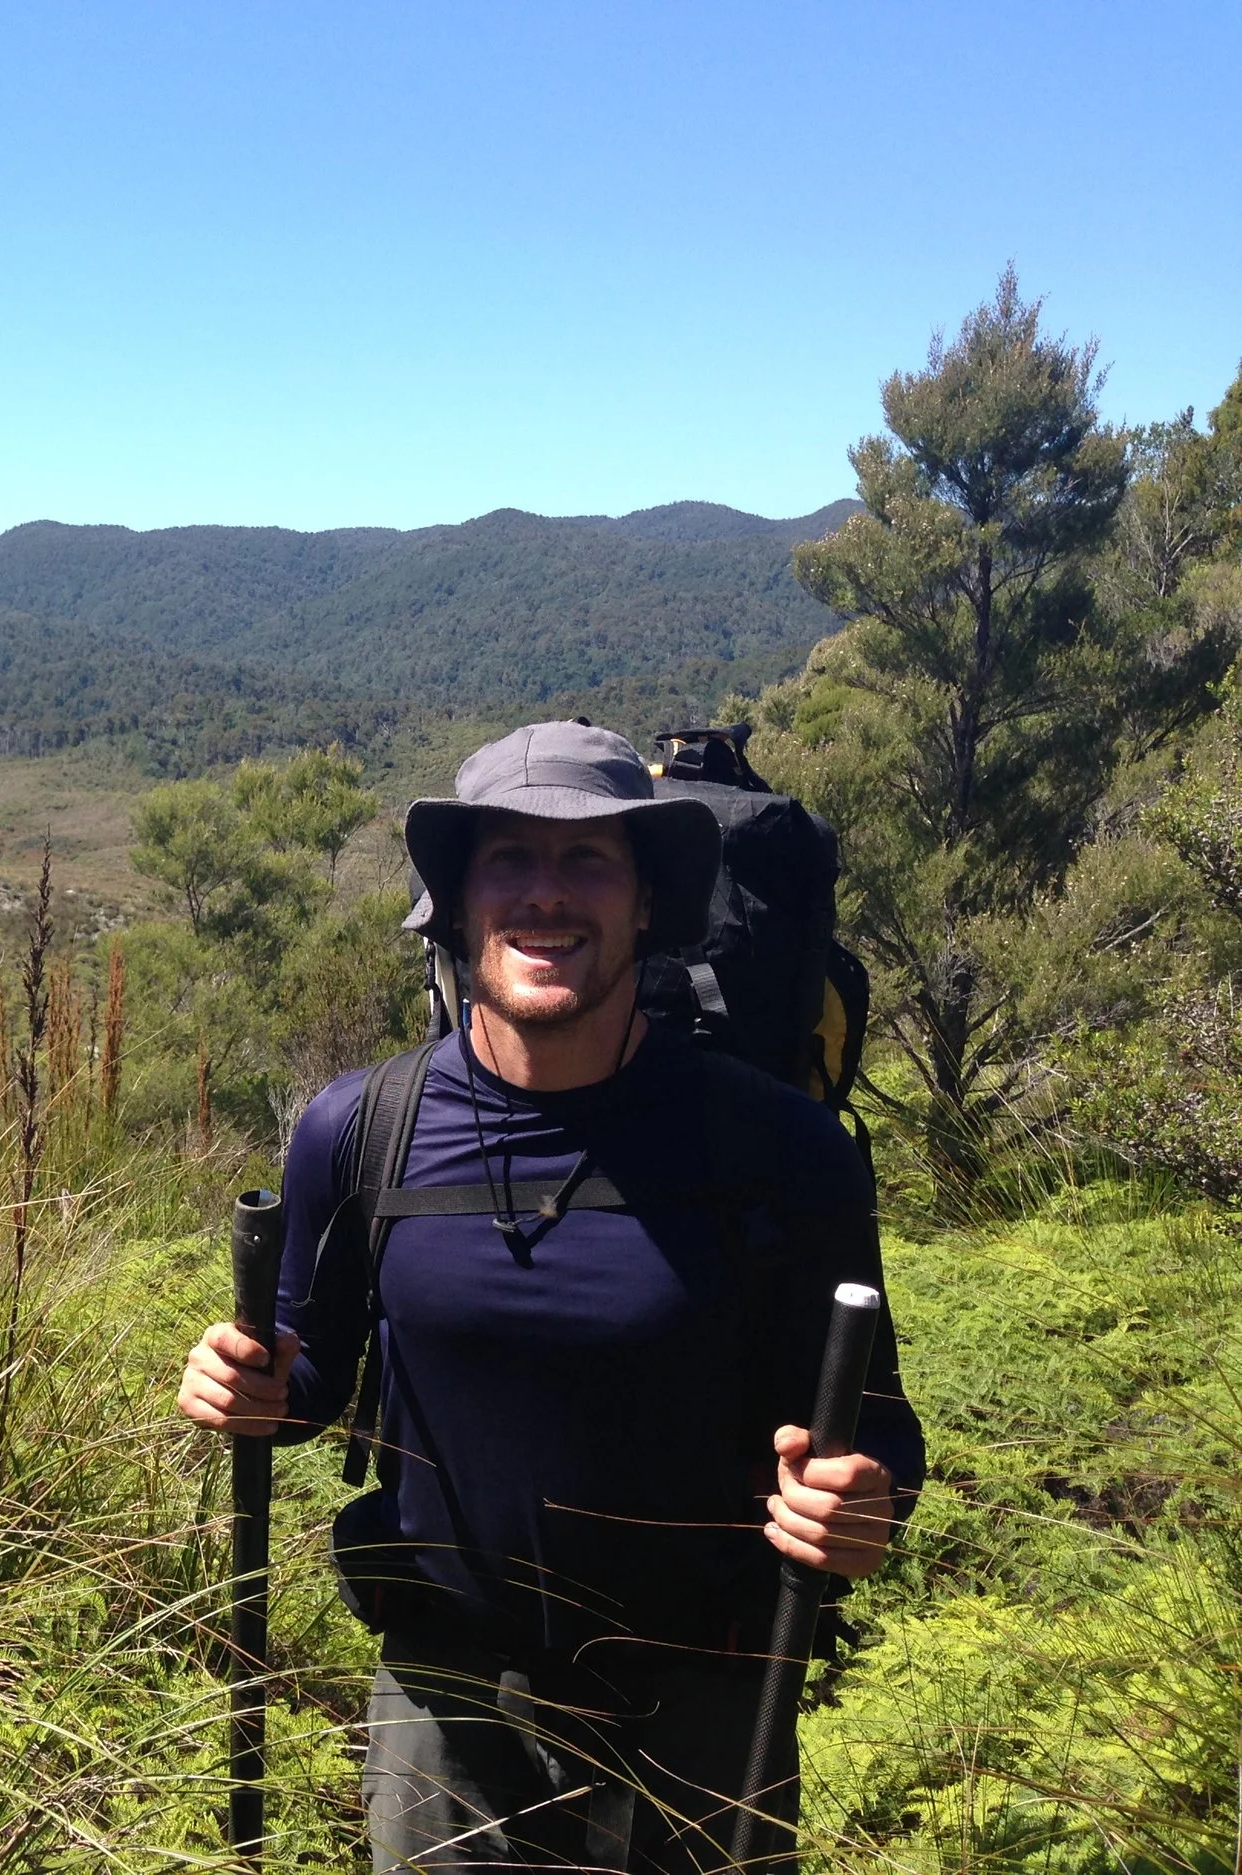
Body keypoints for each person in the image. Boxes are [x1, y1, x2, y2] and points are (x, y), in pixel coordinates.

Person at [176, 721, 925, 1874]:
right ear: (454, 904)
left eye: (588, 860)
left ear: (646, 904)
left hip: (706, 1699)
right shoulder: (359, 1130)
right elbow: (307, 1372)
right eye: (508, 860)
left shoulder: (779, 1150)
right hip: (447, 1704)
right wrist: (249, 1382)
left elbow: (872, 1423)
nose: (545, 894)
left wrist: (864, 1505)